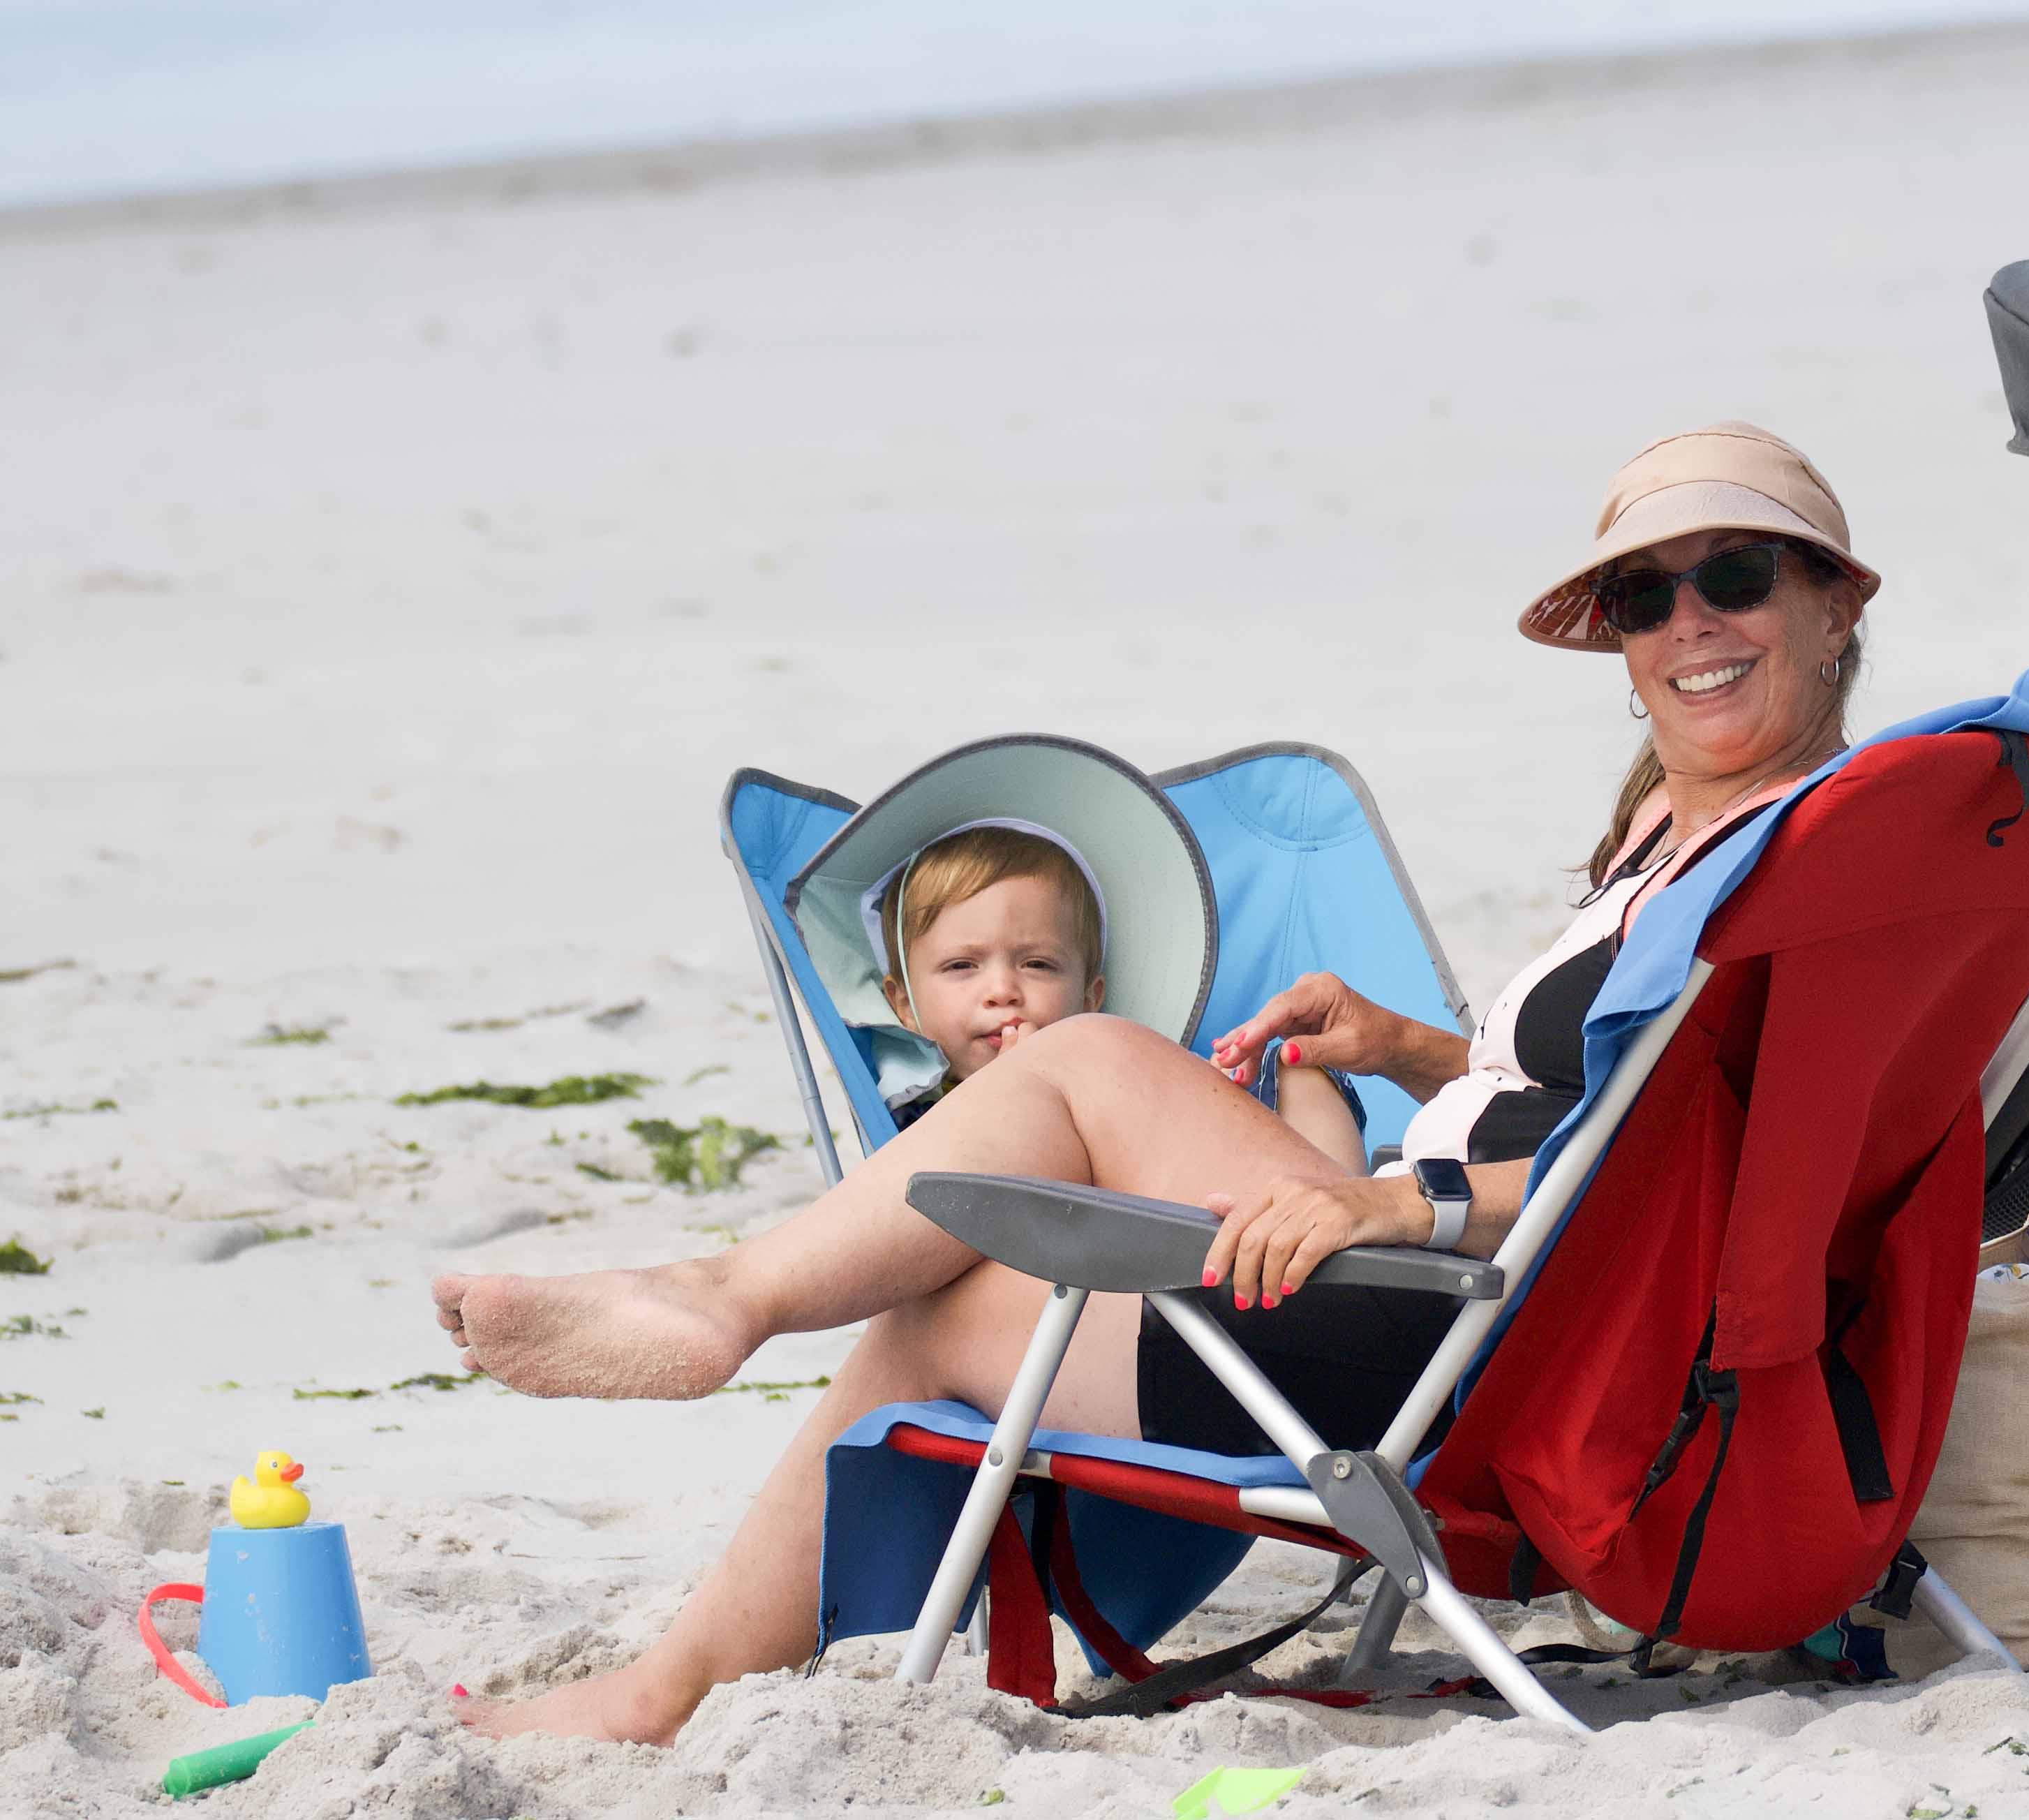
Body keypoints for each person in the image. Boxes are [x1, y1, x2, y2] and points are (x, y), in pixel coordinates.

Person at [433, 420, 1877, 1743]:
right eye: (1642, 596)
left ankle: (689, 1513)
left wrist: (1401, 1207)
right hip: (1472, 1271)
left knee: (987, 1226)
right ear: (1616, 640)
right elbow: (1618, 1101)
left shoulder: (1803, 866)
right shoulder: (1683, 827)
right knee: (1068, 1094)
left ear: (1834, 606)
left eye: (1733, 577)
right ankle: (709, 1369)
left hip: (1496, 1328)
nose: (1686, 623)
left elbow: (1711, 1183)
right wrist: (1410, 1050)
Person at [870, 821, 1363, 1169]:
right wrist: (1012, 1096)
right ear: (905, 1004)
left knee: (1300, 1069)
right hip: (1112, 1259)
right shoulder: (912, 1125)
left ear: (1090, 998)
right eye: (962, 966)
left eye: (1037, 964)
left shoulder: (1120, 1069)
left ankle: (1346, 1231)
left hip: (1234, 1191)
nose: (1002, 991)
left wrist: (1214, 1105)